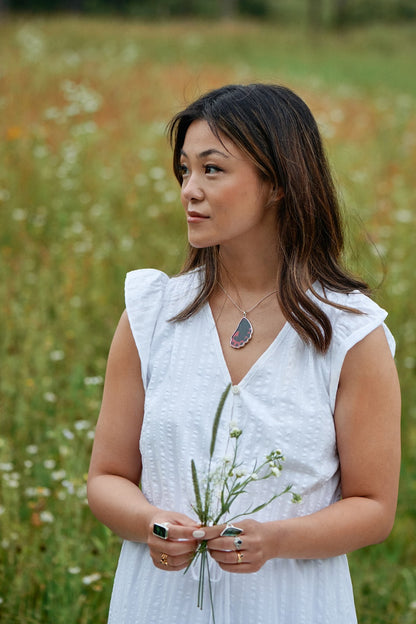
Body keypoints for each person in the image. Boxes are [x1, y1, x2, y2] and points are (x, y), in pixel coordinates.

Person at [87, 83, 401, 624]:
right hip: (159, 605)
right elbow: (107, 477)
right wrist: (153, 526)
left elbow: (373, 508)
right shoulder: (151, 313)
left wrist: (275, 540)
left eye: (212, 169)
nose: (189, 189)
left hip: (291, 607)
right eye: (185, 170)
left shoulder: (351, 333)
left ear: (277, 183)